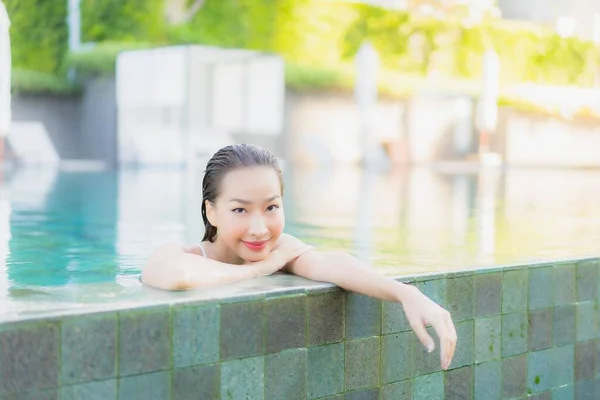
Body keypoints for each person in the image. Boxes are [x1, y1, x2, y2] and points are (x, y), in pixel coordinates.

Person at [142, 143, 457, 370]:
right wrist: (259, 270)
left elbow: (331, 263)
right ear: (211, 212)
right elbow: (178, 276)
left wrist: (405, 293)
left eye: (271, 207)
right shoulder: (183, 255)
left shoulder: (280, 249)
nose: (259, 228)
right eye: (240, 209)